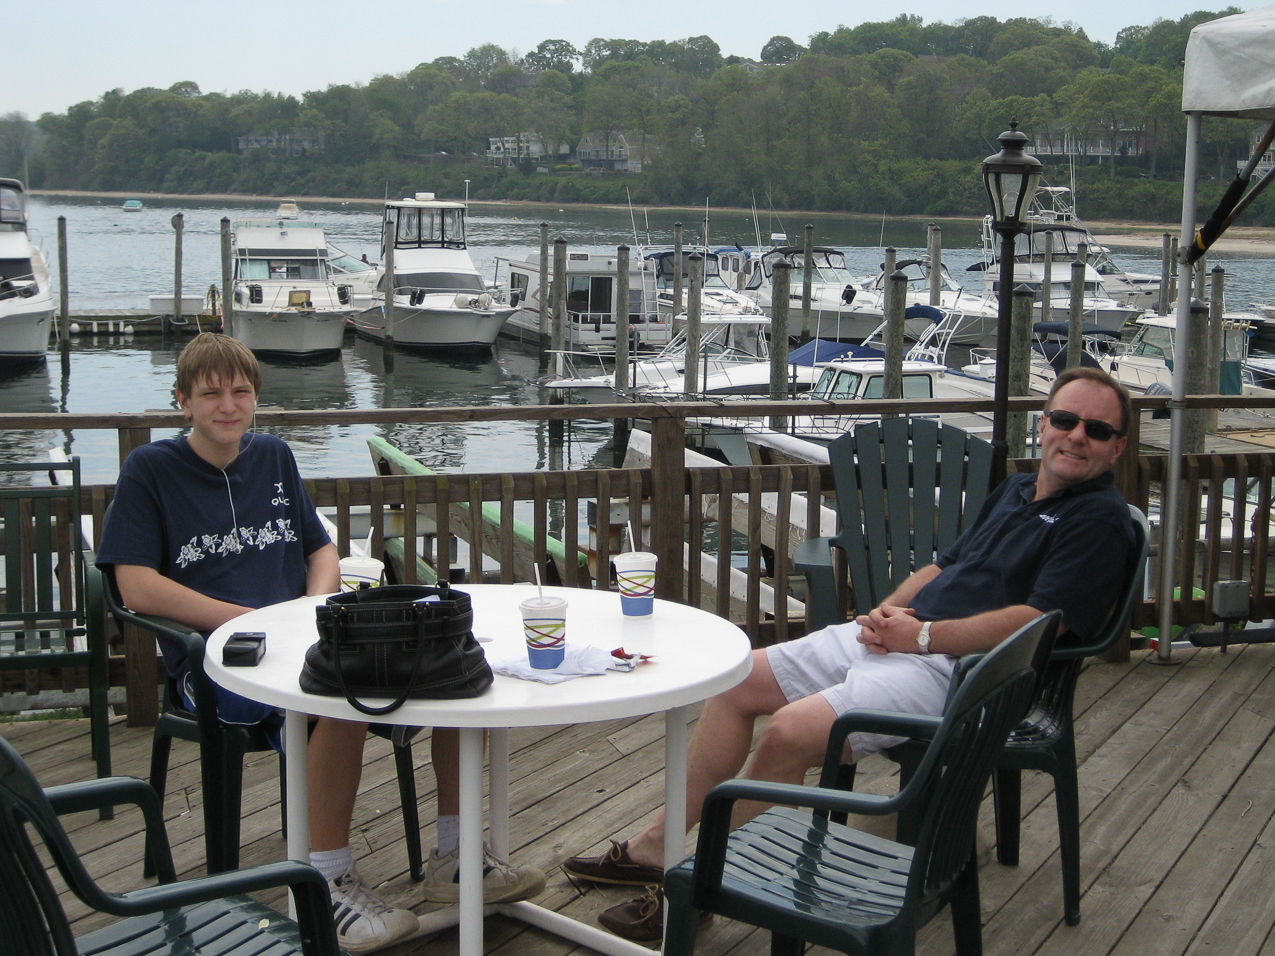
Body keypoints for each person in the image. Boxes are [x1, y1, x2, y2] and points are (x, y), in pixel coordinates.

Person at [562, 366, 1137, 942]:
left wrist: (924, 639)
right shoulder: (1016, 490)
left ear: (1117, 448)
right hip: (906, 639)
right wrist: (883, 617)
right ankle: (654, 850)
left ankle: (697, 887)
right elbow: (944, 566)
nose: (1077, 435)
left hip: (960, 676)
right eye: (1065, 419)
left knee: (789, 734)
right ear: (1044, 426)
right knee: (736, 684)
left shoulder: (1098, 521)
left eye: (1096, 428)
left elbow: (1038, 622)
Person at [97, 333, 544, 954]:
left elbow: (321, 550)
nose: (228, 405)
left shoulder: (274, 456)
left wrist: (310, 605)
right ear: (183, 402)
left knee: (454, 671)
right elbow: (135, 585)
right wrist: (243, 619)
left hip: (305, 639)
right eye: (211, 394)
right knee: (343, 697)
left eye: (241, 392)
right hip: (220, 663)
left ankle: (457, 857)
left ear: (255, 398)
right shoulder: (152, 470)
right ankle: (326, 883)